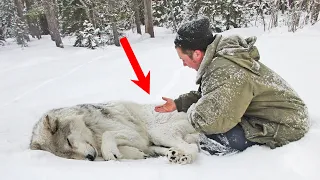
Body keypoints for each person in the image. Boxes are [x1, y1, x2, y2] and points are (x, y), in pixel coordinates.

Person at [154, 17, 310, 155]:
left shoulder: (227, 69)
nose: (183, 64)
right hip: (277, 114)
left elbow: (212, 122)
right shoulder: (218, 61)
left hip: (287, 124)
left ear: (196, 54)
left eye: (182, 58)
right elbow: (212, 94)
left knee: (213, 140)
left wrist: (191, 112)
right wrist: (179, 103)